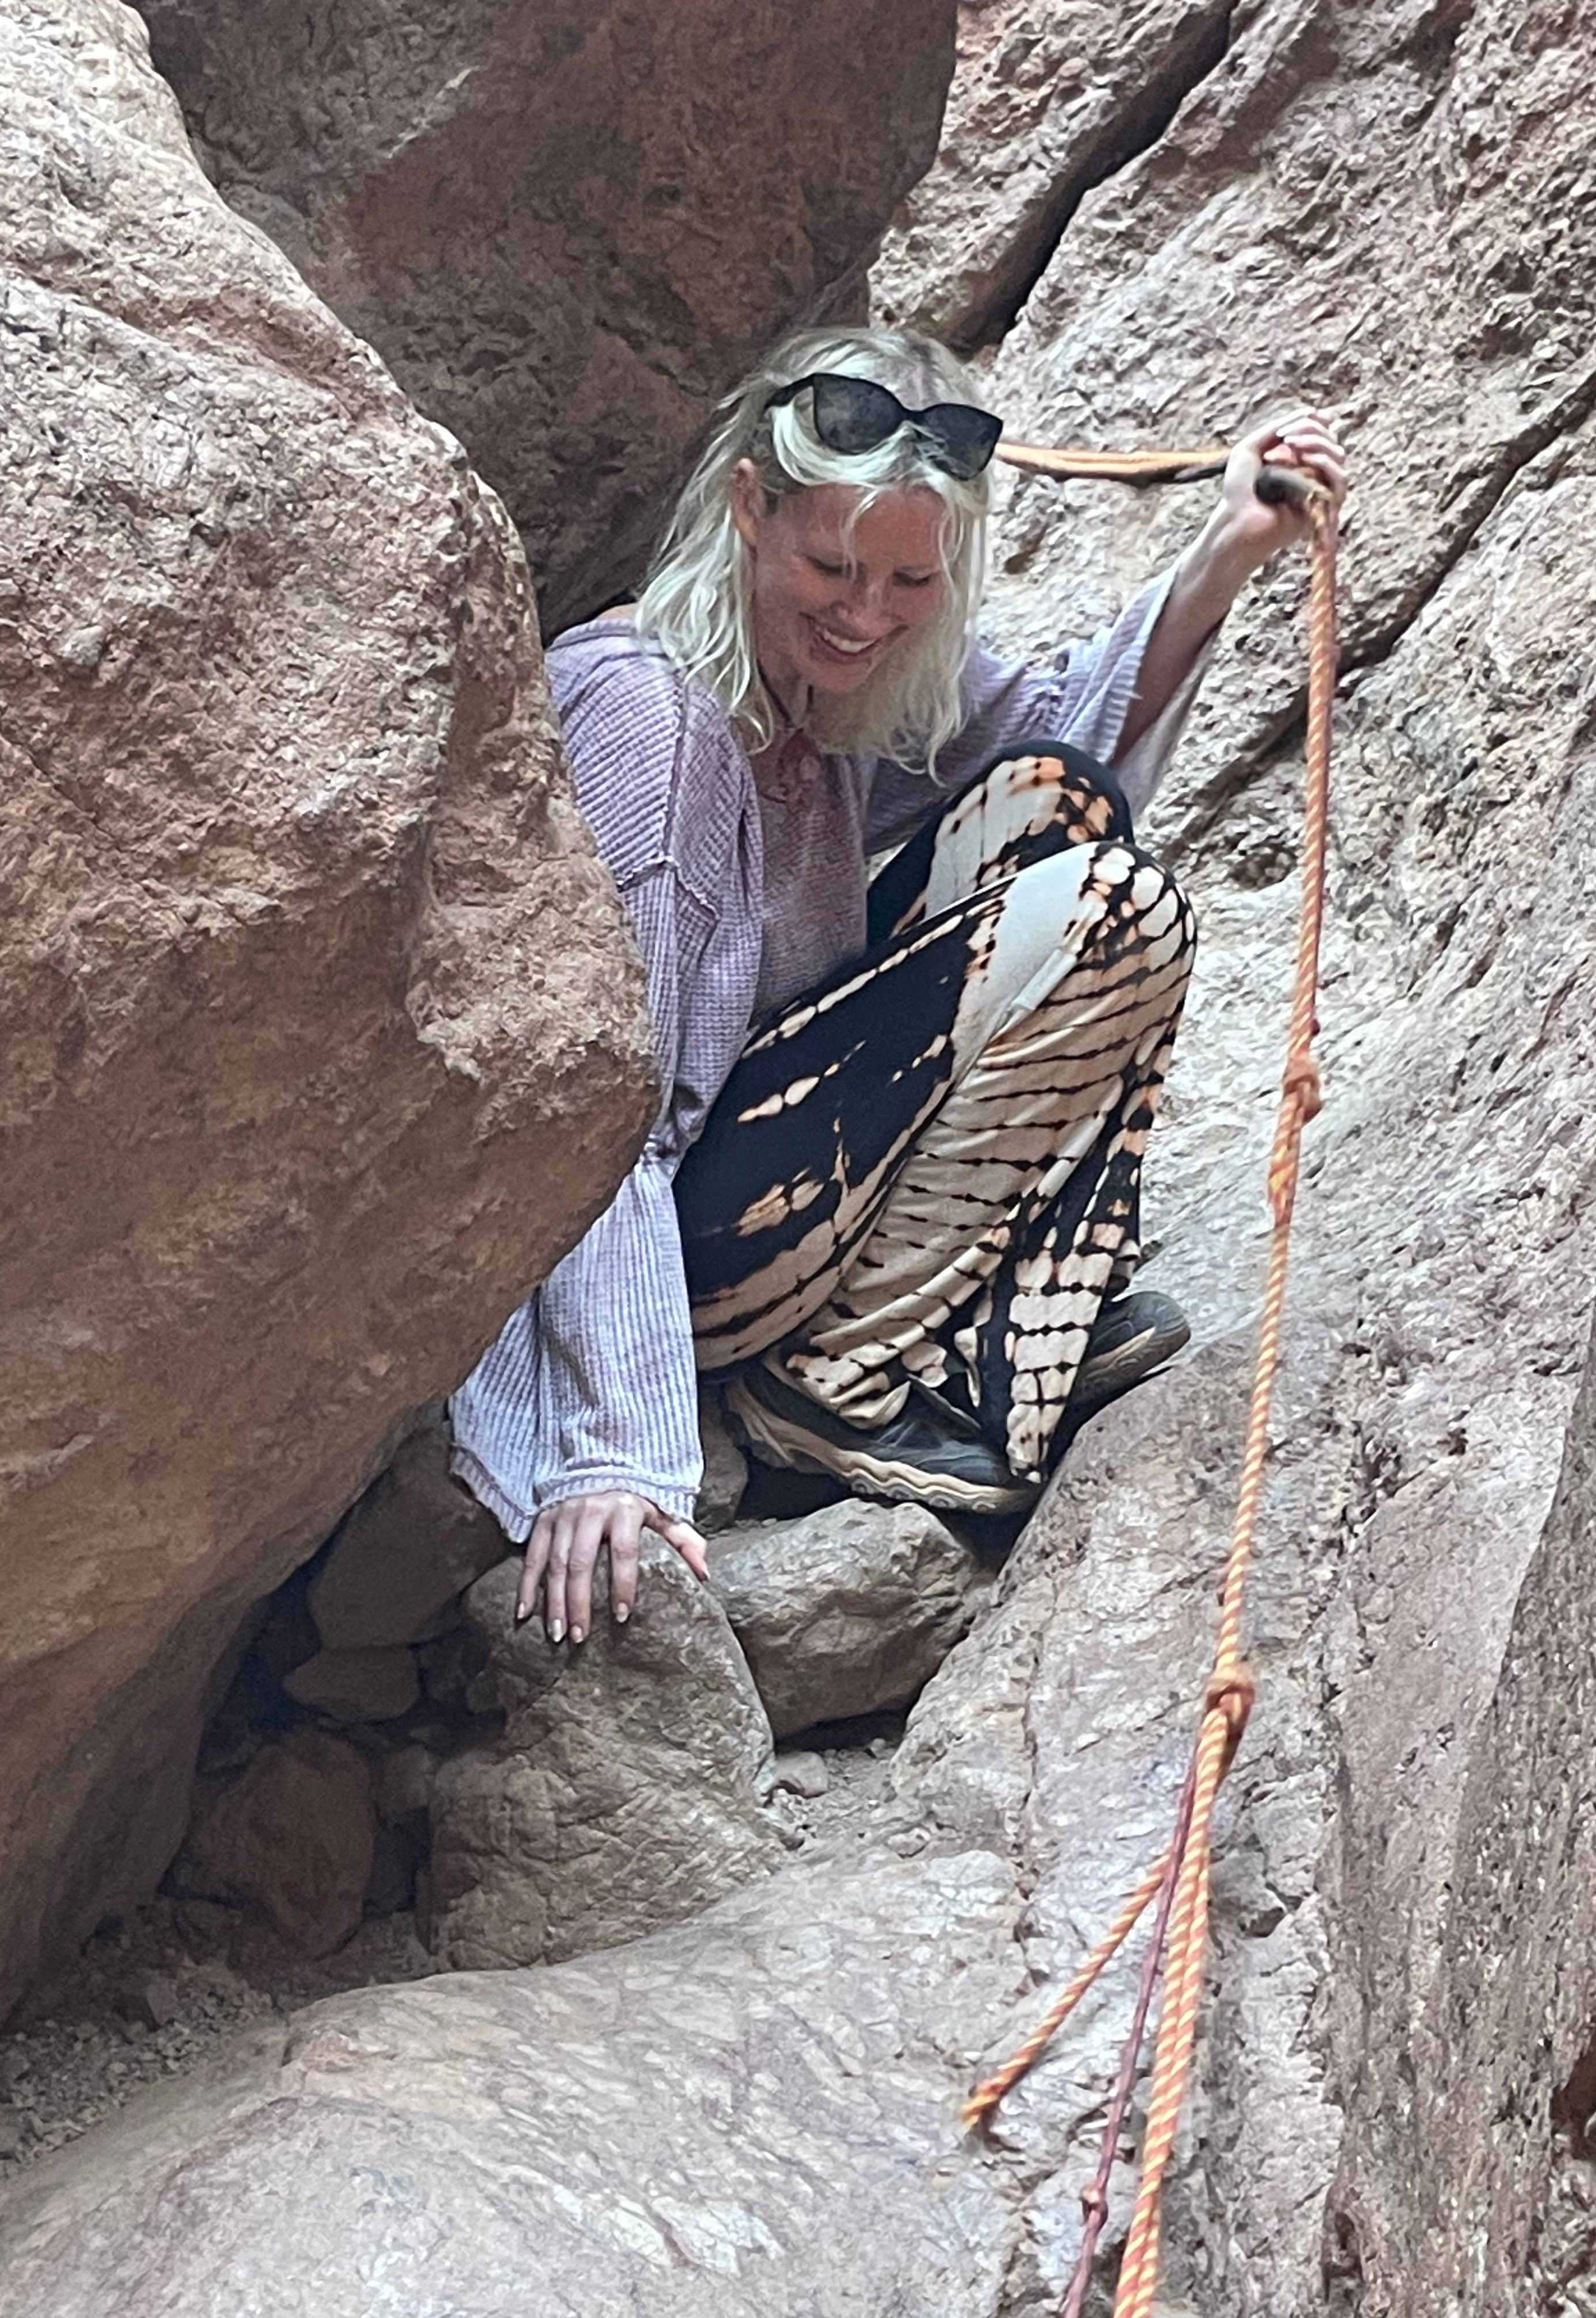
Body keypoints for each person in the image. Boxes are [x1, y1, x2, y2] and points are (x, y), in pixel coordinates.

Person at [448, 326, 1347, 1647]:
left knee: (1060, 810)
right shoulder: (657, 718)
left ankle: (944, 1335)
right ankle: (843, 1378)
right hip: (679, 1220)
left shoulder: (829, 694)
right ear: (748, 508)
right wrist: (615, 1450)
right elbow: (598, 1115)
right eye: (832, 567)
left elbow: (1065, 741)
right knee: (1113, 903)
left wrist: (1232, 545)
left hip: (765, 1167)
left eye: (910, 579)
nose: (867, 613)